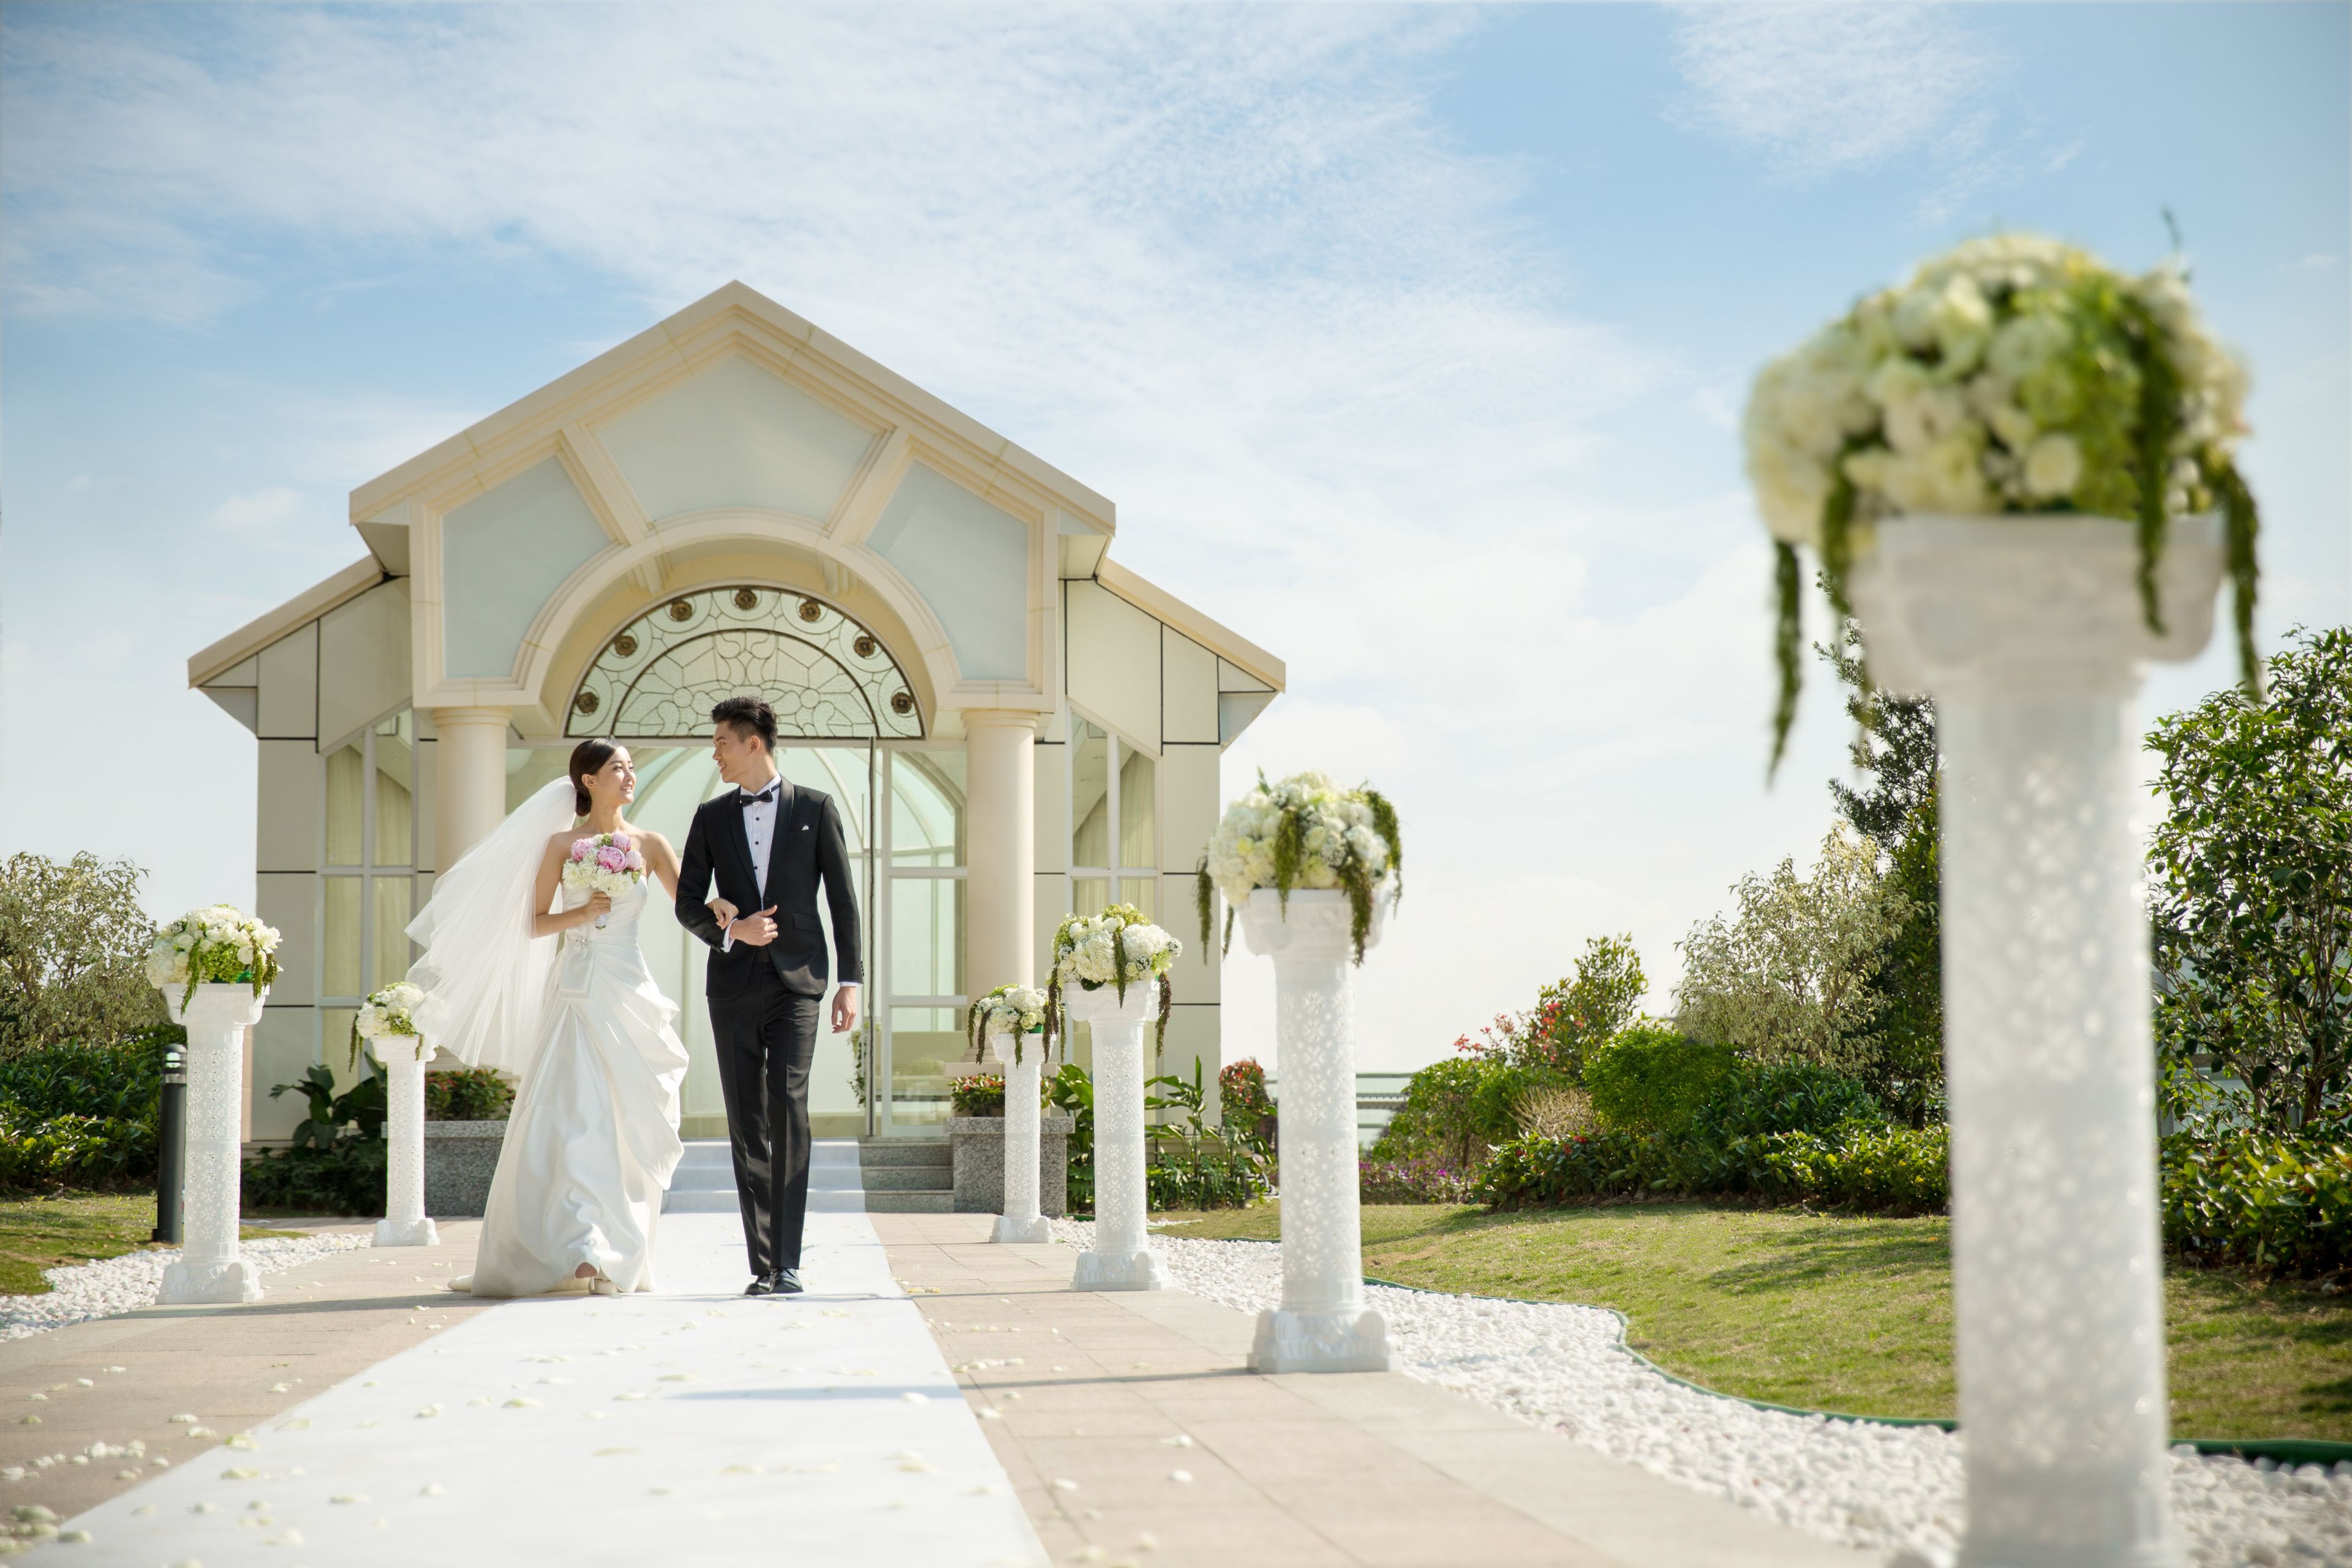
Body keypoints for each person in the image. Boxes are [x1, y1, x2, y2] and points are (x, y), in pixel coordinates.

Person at [407, 738, 692, 1297]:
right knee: (573, 1112)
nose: (630, 776)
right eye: (618, 768)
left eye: (632, 767)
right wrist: (582, 913)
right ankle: (582, 1249)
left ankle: (613, 1245)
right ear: (588, 780)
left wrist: (730, 914)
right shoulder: (561, 845)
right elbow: (534, 923)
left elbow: (692, 907)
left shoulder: (651, 844)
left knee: (623, 1119)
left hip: (629, 989)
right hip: (577, 991)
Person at [674, 695, 862, 1296]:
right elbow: (687, 902)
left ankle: (788, 1262)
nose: (716, 754)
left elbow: (842, 902)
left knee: (788, 1106)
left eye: (722, 743)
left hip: (798, 984)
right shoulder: (709, 817)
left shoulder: (816, 807)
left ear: (754, 743)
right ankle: (761, 1267)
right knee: (747, 1124)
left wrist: (850, 984)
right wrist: (730, 927)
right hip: (731, 986)